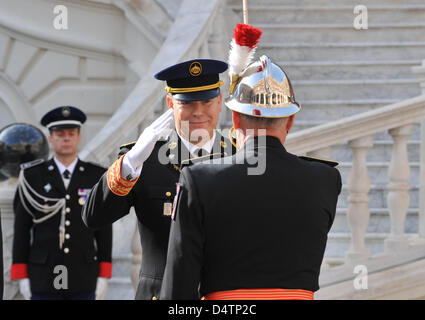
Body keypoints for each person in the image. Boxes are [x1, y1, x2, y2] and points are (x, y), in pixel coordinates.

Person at [160, 55, 342, 300]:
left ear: (235, 119)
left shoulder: (199, 179)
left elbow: (180, 285)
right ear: (290, 121)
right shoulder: (326, 179)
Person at [82, 59, 236, 300]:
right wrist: (131, 162)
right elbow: (93, 216)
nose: (198, 112)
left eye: (206, 101)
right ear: (170, 104)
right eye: (187, 103)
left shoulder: (240, 155)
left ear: (219, 103)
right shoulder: (147, 159)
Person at [11, 106, 113, 300]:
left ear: (79, 137)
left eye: (71, 133)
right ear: (51, 138)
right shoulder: (32, 177)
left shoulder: (96, 176)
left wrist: (104, 274)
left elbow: (103, 229)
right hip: (42, 277)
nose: (66, 138)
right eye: (60, 134)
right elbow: (22, 229)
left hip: (83, 276)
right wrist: (21, 275)